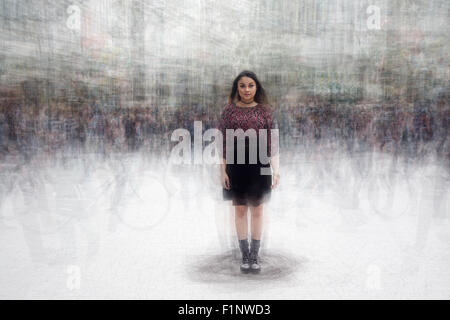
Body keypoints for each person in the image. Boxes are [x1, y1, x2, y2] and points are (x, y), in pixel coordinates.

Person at [217, 70, 280, 274]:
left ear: (257, 87)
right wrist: (222, 171)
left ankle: (255, 254)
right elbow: (222, 144)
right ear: (237, 87)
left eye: (251, 85)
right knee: (240, 209)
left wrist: (276, 170)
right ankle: (245, 255)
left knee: (258, 209)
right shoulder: (228, 112)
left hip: (259, 163)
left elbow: (273, 143)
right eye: (242, 85)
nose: (246, 89)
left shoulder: (265, 111)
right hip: (235, 164)